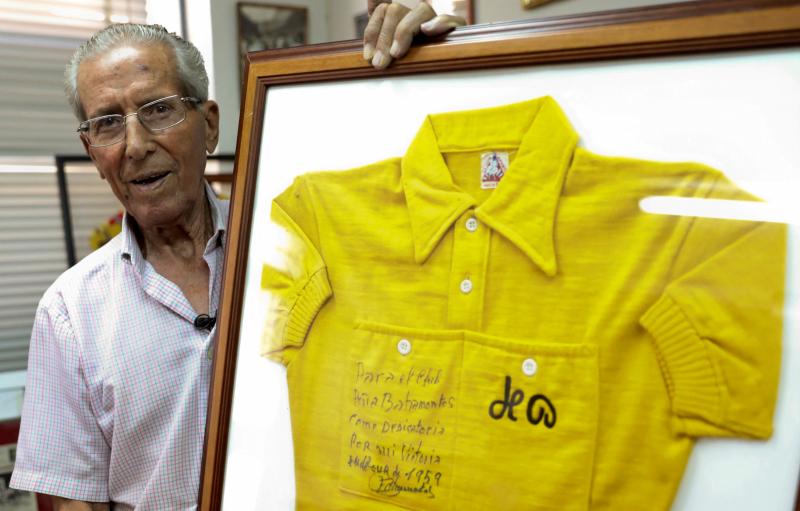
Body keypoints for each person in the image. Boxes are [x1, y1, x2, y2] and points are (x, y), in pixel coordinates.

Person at [10, 3, 464, 510]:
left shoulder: (306, 240)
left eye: (159, 109)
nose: (135, 145)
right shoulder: (69, 313)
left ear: (209, 126)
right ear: (92, 151)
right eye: (108, 124)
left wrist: (446, 63)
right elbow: (74, 503)